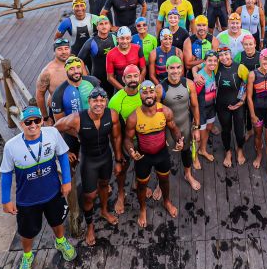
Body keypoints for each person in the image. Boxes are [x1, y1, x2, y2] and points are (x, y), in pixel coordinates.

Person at [0, 106, 76, 269]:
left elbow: (63, 155)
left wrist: (66, 180)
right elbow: (5, 173)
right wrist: (6, 200)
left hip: (53, 193)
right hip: (27, 200)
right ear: (22, 124)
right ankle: (27, 256)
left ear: (42, 121)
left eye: (36, 120)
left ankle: (61, 241)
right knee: (27, 232)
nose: (32, 125)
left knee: (57, 221)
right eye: (28, 122)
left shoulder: (52, 134)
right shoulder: (11, 146)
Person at [54, 87, 117, 247]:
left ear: (106, 102)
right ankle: (90, 226)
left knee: (104, 185)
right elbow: (55, 129)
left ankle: (103, 211)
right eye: (95, 100)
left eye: (102, 100)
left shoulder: (112, 114)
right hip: (89, 161)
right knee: (89, 196)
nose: (99, 104)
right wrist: (64, 150)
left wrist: (119, 159)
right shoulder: (77, 118)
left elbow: (116, 137)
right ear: (88, 102)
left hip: (106, 157)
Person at [124, 81, 184, 228]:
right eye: (145, 92)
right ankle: (143, 209)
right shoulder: (134, 117)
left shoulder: (165, 111)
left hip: (162, 153)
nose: (149, 95)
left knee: (164, 181)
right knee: (142, 186)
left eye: (151, 92)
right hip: (143, 156)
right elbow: (127, 139)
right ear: (140, 95)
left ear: (155, 94)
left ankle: (167, 201)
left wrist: (179, 140)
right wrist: (131, 151)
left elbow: (174, 128)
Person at [156, 56, 202, 186]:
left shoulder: (189, 84)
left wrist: (196, 127)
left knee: (186, 151)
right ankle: (161, 183)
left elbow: (194, 106)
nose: (175, 71)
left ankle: (188, 175)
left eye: (178, 67)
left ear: (182, 69)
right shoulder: (160, 88)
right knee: (164, 155)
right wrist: (159, 133)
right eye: (172, 68)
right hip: (167, 128)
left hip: (185, 124)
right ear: (167, 69)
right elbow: (156, 113)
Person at [107, 64, 143, 212]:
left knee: (142, 166)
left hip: (143, 140)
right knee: (122, 170)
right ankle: (121, 194)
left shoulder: (146, 92)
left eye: (135, 76)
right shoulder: (116, 101)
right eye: (129, 76)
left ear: (140, 76)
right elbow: (113, 134)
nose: (133, 79)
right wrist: (118, 156)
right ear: (123, 79)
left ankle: (137, 183)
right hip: (124, 141)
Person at [51, 56, 101, 155]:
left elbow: (103, 103)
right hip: (71, 132)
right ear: (66, 71)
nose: (76, 71)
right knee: (71, 160)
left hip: (95, 128)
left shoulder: (93, 81)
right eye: (71, 69)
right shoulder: (59, 93)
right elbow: (60, 122)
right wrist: (79, 135)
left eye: (78, 67)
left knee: (97, 155)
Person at [246, 49, 267, 182]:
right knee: (258, 136)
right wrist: (253, 115)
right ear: (260, 59)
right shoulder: (252, 75)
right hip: (258, 110)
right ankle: (259, 155)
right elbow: (249, 97)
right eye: (264, 59)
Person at [213, 46, 249, 167]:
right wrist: (195, 74)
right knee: (226, 129)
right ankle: (227, 151)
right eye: (221, 55)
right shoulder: (216, 66)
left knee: (239, 130)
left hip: (238, 104)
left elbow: (247, 84)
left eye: (226, 55)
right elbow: (201, 67)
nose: (224, 58)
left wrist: (241, 101)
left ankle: (240, 149)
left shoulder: (240, 67)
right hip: (222, 104)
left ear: (231, 54)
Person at [78, 15, 117, 97]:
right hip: (98, 78)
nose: (104, 26)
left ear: (110, 26)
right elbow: (79, 60)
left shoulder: (114, 36)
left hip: (114, 76)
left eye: (106, 23)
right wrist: (87, 77)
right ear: (97, 27)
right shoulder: (91, 42)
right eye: (101, 24)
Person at [36, 38, 71, 125]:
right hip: (57, 110)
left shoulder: (77, 63)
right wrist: (45, 117)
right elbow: (39, 95)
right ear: (54, 52)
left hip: (77, 106)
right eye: (59, 49)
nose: (63, 52)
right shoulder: (48, 72)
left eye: (66, 48)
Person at [192, 50, 219, 161]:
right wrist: (194, 116)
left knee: (208, 128)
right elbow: (193, 100)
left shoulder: (213, 70)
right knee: (197, 136)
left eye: (215, 61)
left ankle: (202, 150)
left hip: (211, 106)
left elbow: (196, 67)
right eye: (209, 61)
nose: (212, 63)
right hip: (201, 109)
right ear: (205, 61)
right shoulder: (200, 78)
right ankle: (194, 157)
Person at [106, 26, 146, 91]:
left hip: (137, 83)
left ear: (131, 38)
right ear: (117, 39)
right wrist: (124, 90)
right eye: (122, 38)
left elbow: (143, 69)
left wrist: (138, 85)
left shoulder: (138, 49)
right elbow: (110, 77)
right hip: (120, 85)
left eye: (127, 38)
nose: (125, 41)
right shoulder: (110, 54)